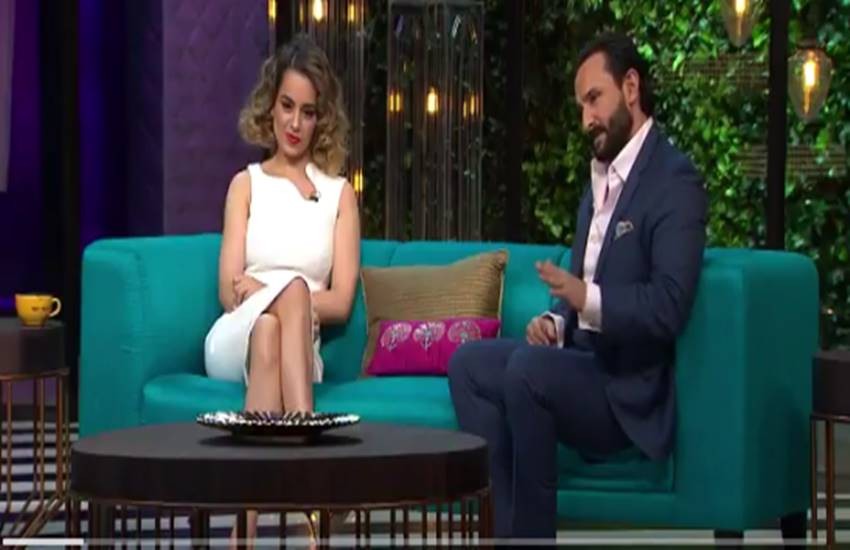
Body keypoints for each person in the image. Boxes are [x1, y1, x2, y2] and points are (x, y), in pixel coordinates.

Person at [448, 32, 708, 540]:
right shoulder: (599, 181)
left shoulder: (674, 181)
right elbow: (584, 287)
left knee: (527, 371)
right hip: (580, 364)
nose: (587, 118)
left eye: (594, 99)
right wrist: (556, 321)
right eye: (581, 106)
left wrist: (584, 299)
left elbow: (669, 305)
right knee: (469, 365)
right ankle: (503, 531)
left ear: (630, 87)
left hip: (626, 390)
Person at [204, 34, 360, 545]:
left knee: (276, 325)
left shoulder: (339, 195)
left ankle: (243, 531)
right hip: (234, 338)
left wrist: (272, 292)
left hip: (298, 349)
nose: (295, 123)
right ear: (270, 107)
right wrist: (280, 294)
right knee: (274, 312)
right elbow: (228, 290)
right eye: (287, 106)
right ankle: (313, 485)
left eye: (308, 112)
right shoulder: (245, 184)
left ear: (321, 120)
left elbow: (340, 302)